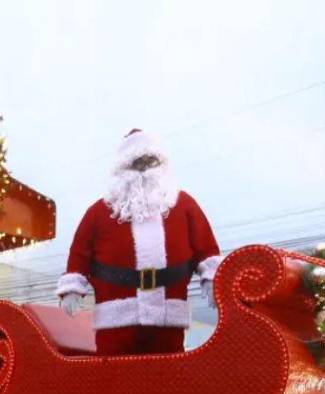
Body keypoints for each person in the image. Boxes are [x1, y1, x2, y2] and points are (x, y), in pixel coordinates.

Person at [56, 129, 220, 356]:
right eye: (137, 163)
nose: (144, 168)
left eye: (150, 161)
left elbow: (206, 248)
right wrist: (72, 288)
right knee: (114, 378)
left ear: (162, 165)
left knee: (167, 375)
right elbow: (79, 254)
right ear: (122, 169)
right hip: (116, 320)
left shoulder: (184, 205)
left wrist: (212, 280)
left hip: (167, 316)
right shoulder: (99, 212)